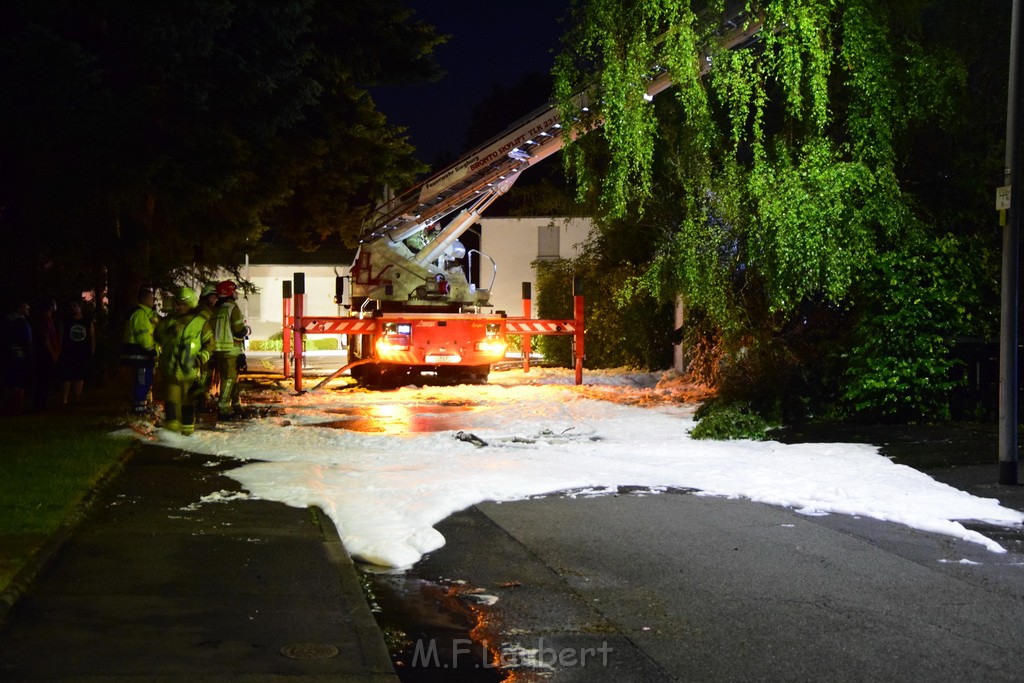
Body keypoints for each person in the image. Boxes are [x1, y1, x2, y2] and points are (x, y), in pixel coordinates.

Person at [159, 287, 213, 435]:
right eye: (177, 303)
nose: (178, 306)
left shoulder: (201, 323)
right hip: (171, 370)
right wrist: (168, 334)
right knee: (171, 402)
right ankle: (171, 437)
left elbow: (210, 345)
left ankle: (187, 435)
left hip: (189, 371)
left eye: (182, 304)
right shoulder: (168, 322)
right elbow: (157, 337)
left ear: (190, 304)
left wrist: (200, 358)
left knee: (187, 404)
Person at [119, 286, 158, 416]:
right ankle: (140, 409)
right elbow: (144, 335)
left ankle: (142, 405)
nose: (153, 300)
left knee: (143, 380)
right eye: (151, 298)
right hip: (141, 355)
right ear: (144, 298)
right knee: (142, 380)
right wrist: (151, 352)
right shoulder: (140, 314)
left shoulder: (143, 313)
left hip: (141, 355)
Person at [212, 280, 247, 420]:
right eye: (234, 290)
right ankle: (224, 408)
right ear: (229, 292)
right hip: (231, 350)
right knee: (229, 379)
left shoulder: (216, 309)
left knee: (231, 379)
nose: (236, 293)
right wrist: (246, 330)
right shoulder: (233, 308)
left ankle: (236, 404)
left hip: (218, 350)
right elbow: (238, 331)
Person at [58, 299, 96, 406]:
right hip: (68, 351)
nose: (73, 309)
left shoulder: (87, 321)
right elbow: (61, 335)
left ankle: (77, 398)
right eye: (71, 306)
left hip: (82, 352)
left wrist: (92, 351)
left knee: (80, 376)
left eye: (75, 306)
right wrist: (60, 350)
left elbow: (92, 336)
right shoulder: (66, 320)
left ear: (80, 307)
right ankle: (64, 400)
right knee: (67, 376)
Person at [1, 299, 33, 415]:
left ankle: (6, 408)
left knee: (9, 383)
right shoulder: (22, 323)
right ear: (19, 310)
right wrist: (29, 355)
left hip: (8, 356)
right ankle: (16, 409)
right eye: (26, 307)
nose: (28, 309)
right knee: (19, 384)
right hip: (20, 356)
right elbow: (27, 341)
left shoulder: (6, 322)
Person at [193, 283, 220, 412]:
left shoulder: (208, 310)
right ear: (206, 296)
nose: (215, 299)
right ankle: (199, 402)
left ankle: (202, 399)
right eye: (213, 296)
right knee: (203, 377)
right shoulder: (204, 311)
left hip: (206, 348)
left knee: (207, 376)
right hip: (202, 349)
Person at [31, 298, 60, 412]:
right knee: (43, 379)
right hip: (44, 355)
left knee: (45, 380)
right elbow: (45, 338)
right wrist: (52, 353)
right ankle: (40, 405)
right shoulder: (45, 320)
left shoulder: (49, 319)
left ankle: (42, 403)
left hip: (46, 354)